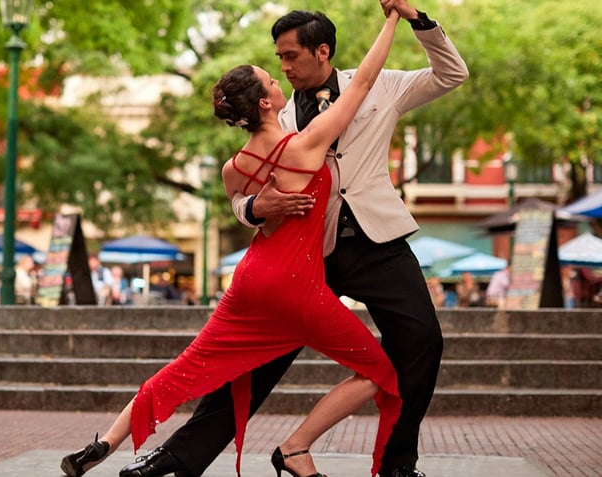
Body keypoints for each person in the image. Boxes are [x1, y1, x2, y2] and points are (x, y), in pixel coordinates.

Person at [122, 1, 468, 476]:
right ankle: (179, 459)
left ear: (321, 51)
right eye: (278, 59)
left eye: (290, 56)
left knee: (423, 341)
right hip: (305, 256)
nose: (283, 68)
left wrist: (417, 20)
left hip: (378, 243)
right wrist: (252, 209)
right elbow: (242, 192)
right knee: (254, 359)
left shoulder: (380, 85)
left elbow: (451, 73)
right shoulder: (276, 115)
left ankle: (396, 465)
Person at [61, 9, 402, 477]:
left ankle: (101, 445)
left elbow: (245, 211)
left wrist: (257, 208)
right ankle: (297, 447)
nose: (279, 79)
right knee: (378, 373)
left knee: (185, 368)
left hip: (248, 281)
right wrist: (392, 22)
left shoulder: (233, 168)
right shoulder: (306, 146)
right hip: (296, 286)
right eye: (271, 80)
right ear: (264, 104)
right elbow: (361, 83)